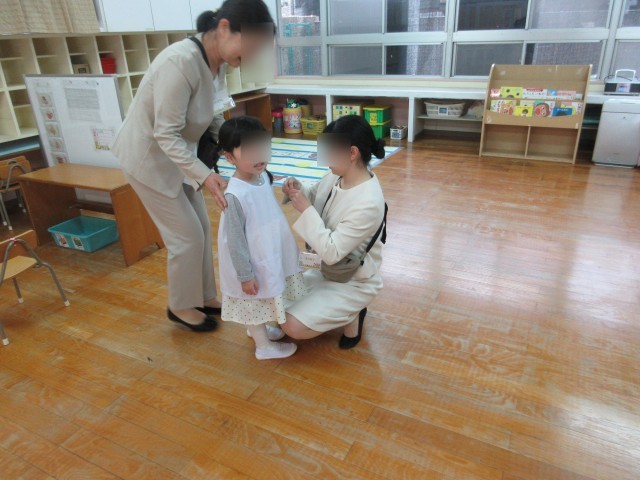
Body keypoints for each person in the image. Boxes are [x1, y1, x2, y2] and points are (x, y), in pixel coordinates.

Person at [111, 0, 275, 332]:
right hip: (149, 160)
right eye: (250, 47)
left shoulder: (217, 63)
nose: (251, 57)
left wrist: (237, 151)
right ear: (225, 28)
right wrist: (205, 175)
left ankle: (202, 296)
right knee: (185, 237)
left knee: (200, 228)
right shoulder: (179, 62)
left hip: (180, 157)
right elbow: (164, 133)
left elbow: (212, 114)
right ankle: (180, 306)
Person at [282, 115, 387, 349]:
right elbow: (316, 195)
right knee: (272, 303)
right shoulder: (336, 175)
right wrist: (298, 189)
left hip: (352, 279)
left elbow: (332, 252)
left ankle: (353, 312)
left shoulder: (368, 202)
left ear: (352, 153)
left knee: (291, 326)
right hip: (325, 269)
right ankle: (336, 310)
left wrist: (305, 209)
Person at [217, 116, 306, 360]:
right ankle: (263, 347)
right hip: (250, 260)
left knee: (264, 295)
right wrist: (245, 276)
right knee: (253, 300)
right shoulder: (234, 195)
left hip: (268, 249)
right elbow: (235, 240)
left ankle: (258, 330)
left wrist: (289, 192)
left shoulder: (262, 176)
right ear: (229, 157)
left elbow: (265, 207)